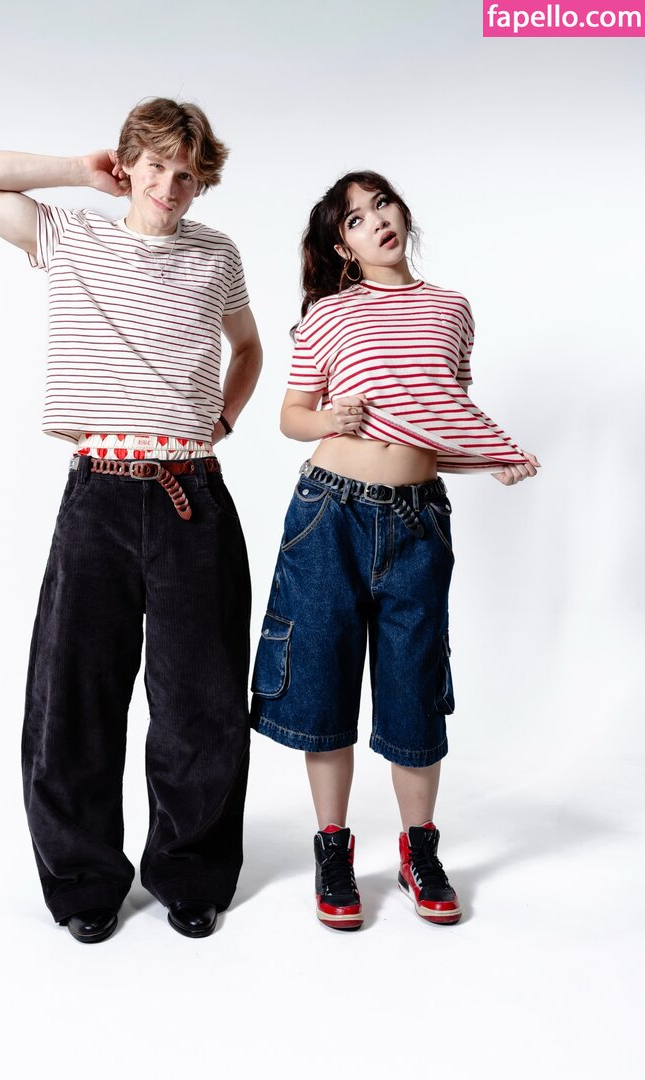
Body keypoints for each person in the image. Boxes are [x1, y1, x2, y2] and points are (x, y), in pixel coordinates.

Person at [0, 98, 262, 942]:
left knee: (202, 698)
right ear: (129, 164)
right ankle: (83, 881)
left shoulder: (217, 255)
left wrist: (222, 420)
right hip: (99, 494)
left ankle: (191, 873)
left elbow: (249, 347)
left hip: (192, 493)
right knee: (74, 693)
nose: (170, 185)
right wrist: (74, 173)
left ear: (202, 183)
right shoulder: (70, 235)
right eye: (156, 165)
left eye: (187, 174)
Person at [250, 171, 539, 931]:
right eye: (354, 218)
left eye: (382, 204)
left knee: (413, 681)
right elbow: (291, 414)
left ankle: (420, 851)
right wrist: (328, 417)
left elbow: (442, 412)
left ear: (402, 213)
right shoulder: (328, 314)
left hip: (417, 520)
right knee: (323, 678)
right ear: (342, 246)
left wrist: (493, 455)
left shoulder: (452, 308)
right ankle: (333, 848)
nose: (376, 220)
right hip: (328, 514)